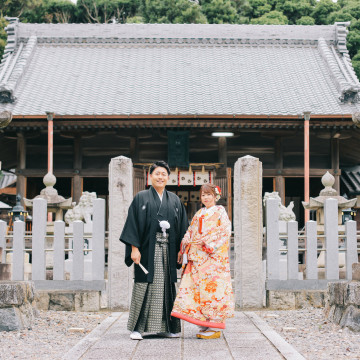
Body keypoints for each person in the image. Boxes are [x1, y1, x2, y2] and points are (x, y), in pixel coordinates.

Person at [120, 161, 188, 340]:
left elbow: (183, 227)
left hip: (169, 250)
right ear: (150, 176)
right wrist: (134, 249)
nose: (160, 177)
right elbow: (132, 225)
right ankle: (137, 328)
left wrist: (181, 251)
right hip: (147, 250)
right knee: (144, 286)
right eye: (157, 173)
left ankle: (166, 327)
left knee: (167, 287)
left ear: (168, 177)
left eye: (164, 174)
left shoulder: (174, 200)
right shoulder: (141, 198)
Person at [171, 183, 234, 339]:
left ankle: (215, 324)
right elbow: (191, 230)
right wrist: (185, 240)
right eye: (203, 195)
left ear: (215, 197)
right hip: (198, 258)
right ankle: (206, 323)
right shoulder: (200, 213)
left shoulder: (220, 211)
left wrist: (208, 243)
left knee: (214, 289)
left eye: (209, 194)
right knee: (198, 289)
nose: (206, 197)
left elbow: (225, 231)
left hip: (213, 259)